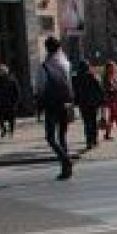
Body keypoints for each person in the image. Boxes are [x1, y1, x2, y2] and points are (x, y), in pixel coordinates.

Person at [34, 36, 74, 180]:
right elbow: (69, 84)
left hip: (51, 104)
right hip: (65, 103)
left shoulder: (44, 66)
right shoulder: (66, 63)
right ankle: (66, 169)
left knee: (50, 137)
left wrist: (38, 103)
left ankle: (65, 160)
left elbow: (40, 87)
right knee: (62, 136)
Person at [72, 60, 105, 149]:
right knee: (93, 122)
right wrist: (102, 100)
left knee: (86, 123)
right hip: (93, 103)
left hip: (83, 104)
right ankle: (94, 140)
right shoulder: (92, 76)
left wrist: (75, 101)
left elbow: (74, 91)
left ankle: (88, 141)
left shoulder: (76, 78)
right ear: (88, 67)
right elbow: (99, 89)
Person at [0, 64, 21, 137]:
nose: (1, 72)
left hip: (9, 102)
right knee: (0, 117)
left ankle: (11, 130)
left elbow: (17, 91)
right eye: (0, 71)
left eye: (2, 71)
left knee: (11, 118)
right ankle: (3, 129)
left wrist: (16, 101)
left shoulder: (11, 79)